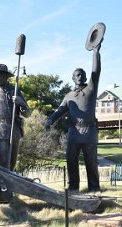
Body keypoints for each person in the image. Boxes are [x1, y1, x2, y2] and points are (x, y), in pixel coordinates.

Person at [44, 43, 102, 193]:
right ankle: (73, 188)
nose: (80, 76)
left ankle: (94, 188)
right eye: (77, 74)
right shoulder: (68, 96)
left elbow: (96, 72)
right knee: (71, 161)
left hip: (89, 132)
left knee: (91, 162)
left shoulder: (91, 89)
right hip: (73, 132)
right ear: (72, 78)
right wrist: (50, 120)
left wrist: (95, 52)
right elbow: (60, 110)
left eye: (82, 74)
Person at [0, 63, 32, 203]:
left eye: (0, 75)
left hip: (14, 130)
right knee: (4, 163)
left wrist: (21, 102)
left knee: (12, 163)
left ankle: (8, 191)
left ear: (5, 76)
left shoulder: (15, 90)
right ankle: (4, 194)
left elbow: (28, 113)